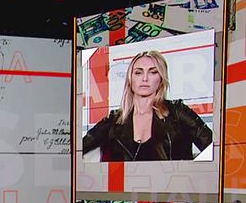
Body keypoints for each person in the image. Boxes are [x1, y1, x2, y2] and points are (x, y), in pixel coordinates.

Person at [82, 50, 212, 161]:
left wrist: (191, 174)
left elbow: (215, 149)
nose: (145, 78)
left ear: (161, 78)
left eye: (153, 72)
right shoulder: (114, 120)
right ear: (130, 79)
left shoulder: (177, 112)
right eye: (138, 72)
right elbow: (78, 150)